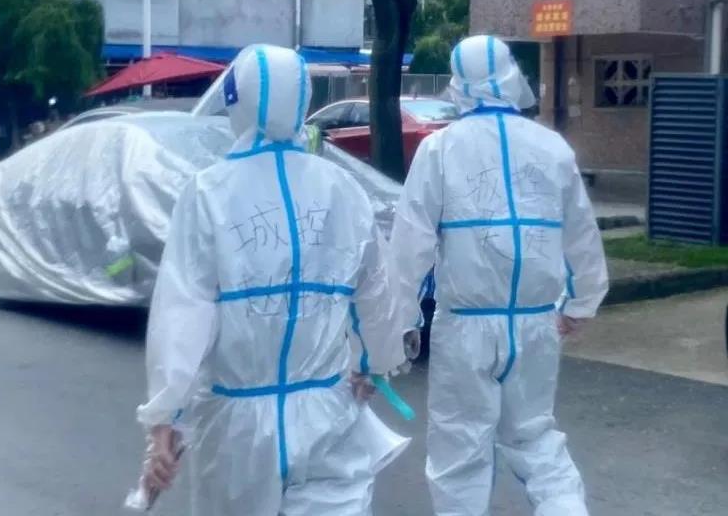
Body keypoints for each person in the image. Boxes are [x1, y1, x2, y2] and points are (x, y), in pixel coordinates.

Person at [135, 44, 410, 516]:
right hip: (327, 415)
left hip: (237, 430)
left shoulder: (208, 193)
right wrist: (373, 363)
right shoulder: (342, 190)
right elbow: (376, 294)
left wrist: (165, 417)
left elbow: (182, 316)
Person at [389, 35, 609, 516]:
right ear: (512, 75)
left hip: (464, 327)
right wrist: (581, 303)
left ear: (457, 83)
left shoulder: (440, 150)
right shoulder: (552, 148)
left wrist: (399, 322)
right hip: (535, 323)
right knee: (536, 439)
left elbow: (410, 246)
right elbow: (581, 233)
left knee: (459, 452)